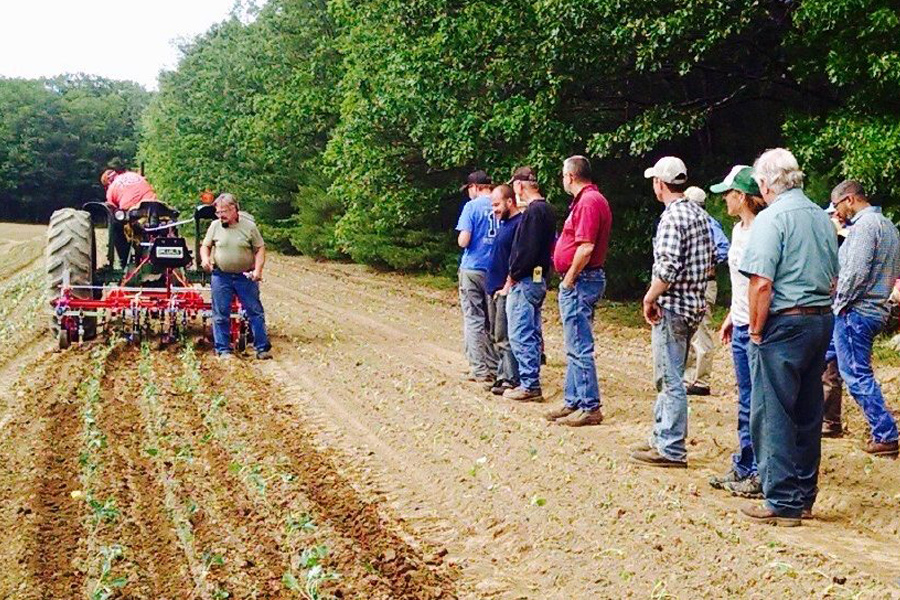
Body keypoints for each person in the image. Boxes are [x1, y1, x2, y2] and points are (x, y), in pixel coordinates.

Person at [738, 148, 837, 526]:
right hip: (820, 320)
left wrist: (757, 330)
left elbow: (761, 283)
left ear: (765, 183)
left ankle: (781, 500)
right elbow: (833, 276)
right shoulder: (821, 217)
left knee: (773, 411)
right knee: (809, 410)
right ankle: (804, 495)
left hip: (784, 322)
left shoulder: (771, 219)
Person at [631, 157, 713, 467]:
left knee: (669, 379)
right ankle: (660, 437)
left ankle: (671, 447)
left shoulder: (671, 217)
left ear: (660, 184)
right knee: (670, 375)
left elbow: (666, 268)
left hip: (673, 307)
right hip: (694, 305)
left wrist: (649, 298)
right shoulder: (698, 214)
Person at [707, 166, 767, 497]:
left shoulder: (761, 231)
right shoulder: (739, 230)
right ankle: (745, 464)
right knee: (744, 399)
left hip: (755, 328)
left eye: (728, 194)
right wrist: (732, 314)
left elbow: (762, 283)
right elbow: (740, 281)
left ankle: (758, 469)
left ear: (741, 196)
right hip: (741, 321)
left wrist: (753, 323)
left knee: (755, 401)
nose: (724, 200)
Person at [829, 180, 900, 457]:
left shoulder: (864, 228)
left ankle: (885, 433)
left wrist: (839, 304)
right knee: (825, 357)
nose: (837, 213)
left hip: (856, 312)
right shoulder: (889, 226)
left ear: (849, 200)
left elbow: (855, 273)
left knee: (856, 374)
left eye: (837, 206)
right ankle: (819, 417)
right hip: (877, 309)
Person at [544, 156, 612, 426]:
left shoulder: (588, 202)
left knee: (579, 344)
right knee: (573, 342)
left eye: (563, 175)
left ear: (571, 176)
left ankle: (589, 405)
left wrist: (569, 279)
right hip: (584, 278)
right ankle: (573, 399)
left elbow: (586, 246)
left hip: (582, 279)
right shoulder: (590, 200)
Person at [502, 168, 557, 402]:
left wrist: (514, 274)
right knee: (531, 331)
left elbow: (528, 249)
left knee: (520, 332)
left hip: (526, 280)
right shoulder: (547, 209)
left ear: (519, 186)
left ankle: (529, 384)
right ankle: (530, 379)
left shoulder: (534, 212)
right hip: (538, 277)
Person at [200, 193, 272, 360]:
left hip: (244, 276)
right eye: (218, 212)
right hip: (221, 275)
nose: (220, 215)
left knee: (254, 312)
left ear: (234, 209)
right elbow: (206, 245)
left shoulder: (249, 227)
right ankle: (223, 349)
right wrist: (205, 259)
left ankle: (262, 348)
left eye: (223, 211)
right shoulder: (215, 226)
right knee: (220, 313)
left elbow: (260, 248)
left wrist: (258, 270)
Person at [683, 186, 731, 396]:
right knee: (690, 331)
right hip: (696, 283)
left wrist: (707, 261)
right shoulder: (700, 221)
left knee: (701, 330)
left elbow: (723, 248)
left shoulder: (707, 223)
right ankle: (690, 377)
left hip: (703, 283)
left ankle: (701, 380)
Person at [457, 171, 500, 382]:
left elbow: (464, 240)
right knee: (493, 321)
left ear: (474, 187)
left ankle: (479, 369)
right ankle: (495, 366)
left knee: (474, 318)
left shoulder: (471, 207)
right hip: (494, 270)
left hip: (473, 267)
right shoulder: (499, 203)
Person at [484, 184, 524, 395]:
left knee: (504, 336)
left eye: (497, 204)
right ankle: (502, 375)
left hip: (504, 288)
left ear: (510, 201)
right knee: (495, 335)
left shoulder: (519, 225)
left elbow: (518, 259)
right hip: (493, 286)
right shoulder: (505, 223)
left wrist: (507, 285)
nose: (494, 209)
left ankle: (511, 378)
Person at [822, 204, 847, 438]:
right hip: (823, 308)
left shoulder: (845, 241)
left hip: (835, 308)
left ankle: (830, 421)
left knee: (830, 368)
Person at [100, 168, 159, 268]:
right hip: (154, 207)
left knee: (116, 227)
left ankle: (124, 263)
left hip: (132, 211)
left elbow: (112, 208)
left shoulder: (111, 188)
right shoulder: (134, 175)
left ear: (107, 183)